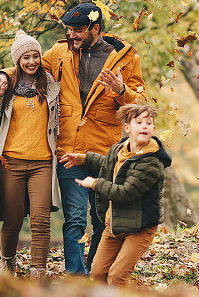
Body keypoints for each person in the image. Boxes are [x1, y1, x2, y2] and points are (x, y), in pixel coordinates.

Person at [0, 2, 147, 275]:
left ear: (95, 29)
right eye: (69, 30)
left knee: (100, 220)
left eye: (78, 30)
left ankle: (95, 272)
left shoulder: (125, 58)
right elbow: (28, 65)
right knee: (74, 219)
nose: (72, 35)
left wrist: (122, 91)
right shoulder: (59, 52)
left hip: (104, 152)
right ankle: (75, 275)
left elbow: (141, 102)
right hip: (68, 152)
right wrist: (3, 74)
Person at [60, 103, 170, 286]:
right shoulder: (120, 149)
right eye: (139, 122)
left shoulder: (151, 163)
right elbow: (109, 164)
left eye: (148, 123)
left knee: (117, 277)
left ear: (153, 129)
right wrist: (82, 158)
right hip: (115, 224)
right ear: (127, 128)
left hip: (140, 228)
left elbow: (124, 192)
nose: (144, 126)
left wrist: (94, 183)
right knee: (97, 273)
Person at [0, 30, 61, 277]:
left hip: (43, 163)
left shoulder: (50, 84)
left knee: (41, 221)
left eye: (35, 56)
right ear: (17, 60)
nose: (31, 62)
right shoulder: (5, 86)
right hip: (11, 163)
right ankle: (7, 265)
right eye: (25, 57)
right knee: (12, 221)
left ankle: (38, 272)